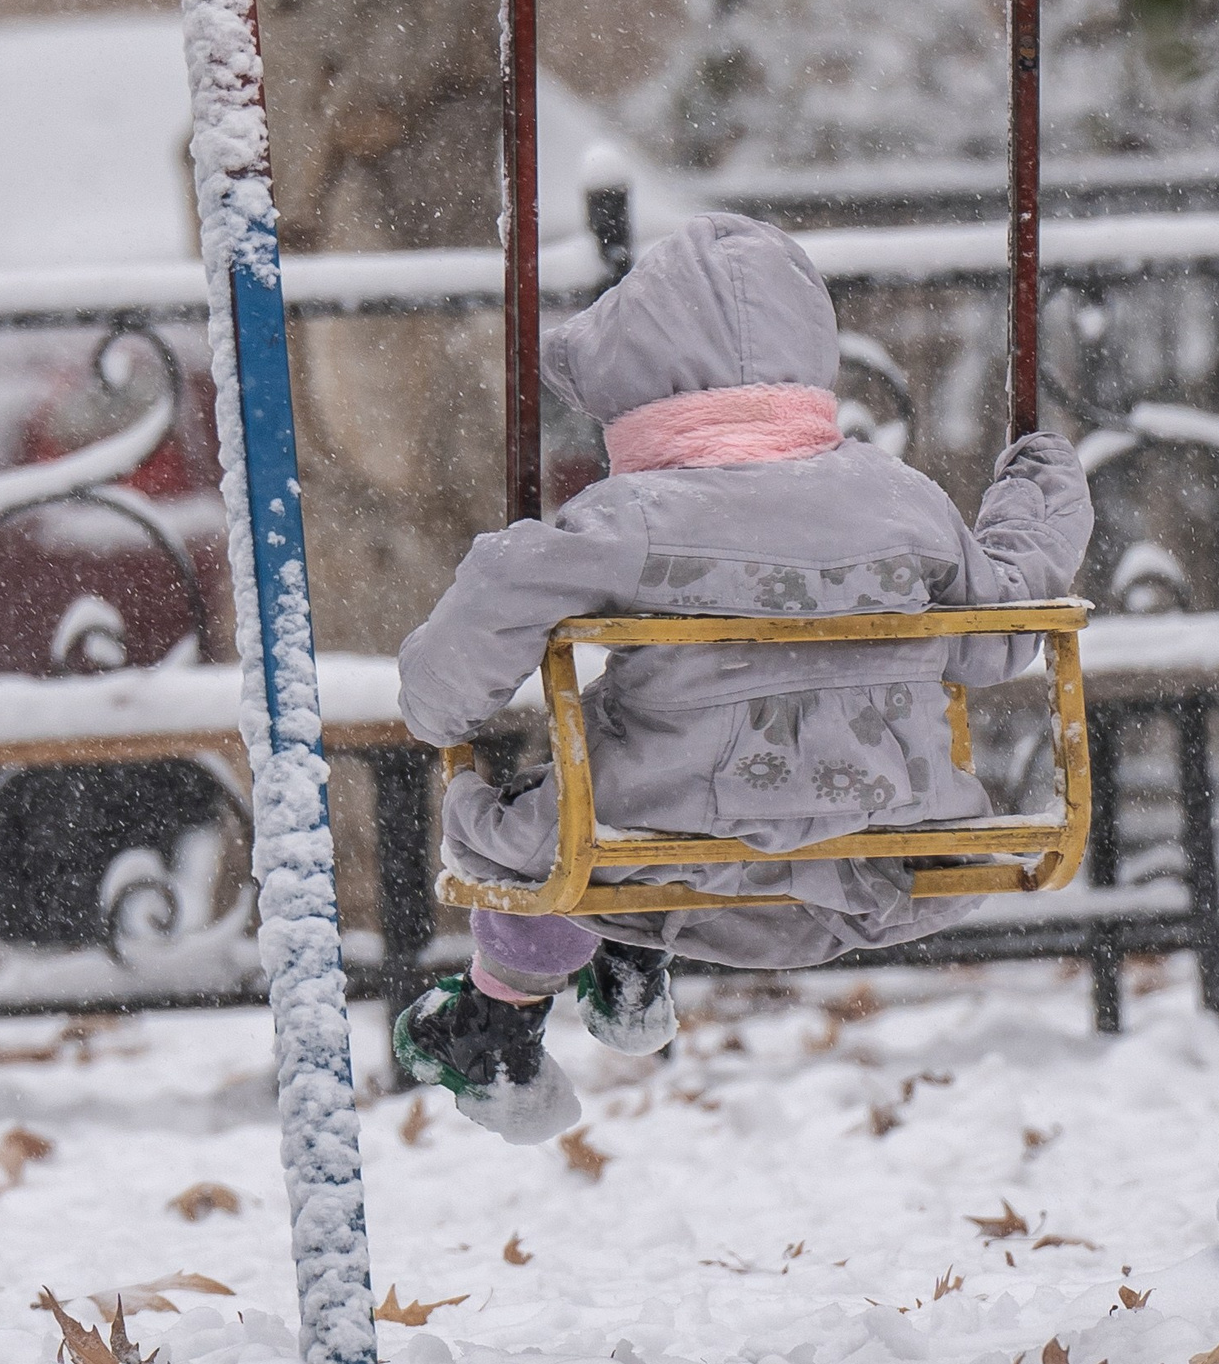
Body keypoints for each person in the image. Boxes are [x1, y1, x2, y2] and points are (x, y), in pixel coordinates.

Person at [390, 209, 1094, 1139]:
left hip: (668, 858)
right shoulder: (901, 499)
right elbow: (998, 634)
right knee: (601, 799)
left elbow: (463, 657)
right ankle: (628, 970)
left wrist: (441, 711)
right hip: (889, 858)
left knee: (531, 814)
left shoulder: (630, 516)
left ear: (633, 388)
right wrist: (1037, 499)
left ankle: (507, 1020)